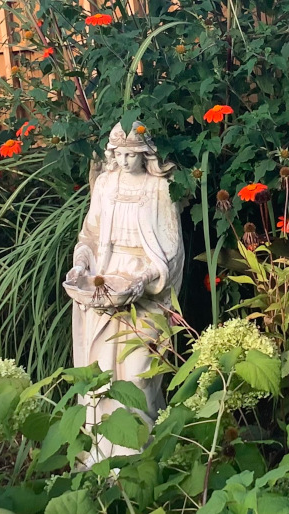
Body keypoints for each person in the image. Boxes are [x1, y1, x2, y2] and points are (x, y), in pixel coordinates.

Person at [64, 124, 183, 461]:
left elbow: (172, 250)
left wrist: (142, 281)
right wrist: (81, 266)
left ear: (146, 153)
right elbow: (89, 235)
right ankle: (104, 460)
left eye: (133, 153)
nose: (126, 160)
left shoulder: (159, 188)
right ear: (112, 154)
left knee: (138, 377)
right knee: (100, 380)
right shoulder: (105, 184)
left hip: (145, 291)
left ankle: (141, 459)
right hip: (103, 286)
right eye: (120, 153)